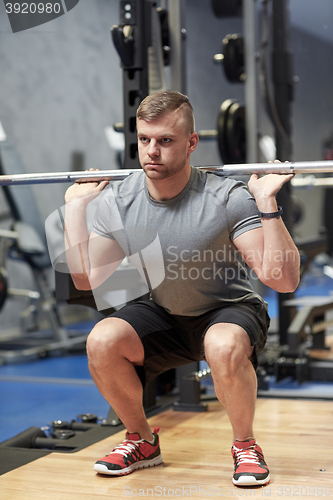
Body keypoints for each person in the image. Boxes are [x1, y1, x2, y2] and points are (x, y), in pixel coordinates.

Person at [64, 91, 300, 487]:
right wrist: (76, 208)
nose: (152, 151)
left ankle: (245, 445)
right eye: (144, 140)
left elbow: (283, 280)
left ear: (191, 143)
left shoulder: (225, 197)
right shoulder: (119, 200)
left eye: (166, 141)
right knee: (101, 340)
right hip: (163, 312)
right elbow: (85, 280)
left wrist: (266, 202)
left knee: (222, 345)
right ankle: (141, 440)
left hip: (228, 309)